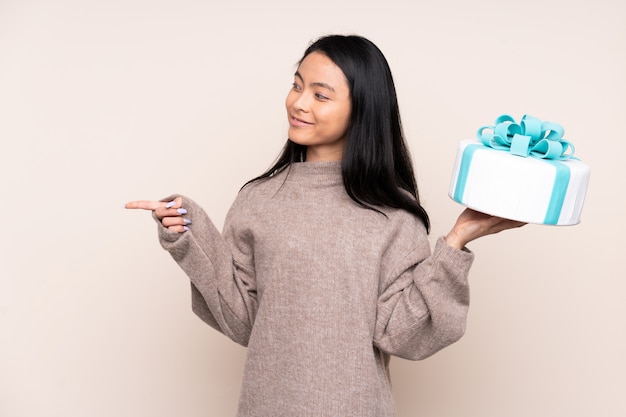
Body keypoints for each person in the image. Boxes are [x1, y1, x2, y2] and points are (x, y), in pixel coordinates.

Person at [126, 34, 524, 417]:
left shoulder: (394, 214)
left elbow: (403, 334)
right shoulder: (258, 199)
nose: (299, 103)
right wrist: (187, 234)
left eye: (320, 94)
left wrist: (456, 241)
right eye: (296, 86)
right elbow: (244, 321)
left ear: (362, 110)